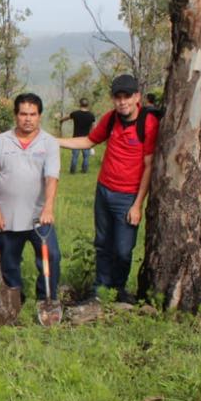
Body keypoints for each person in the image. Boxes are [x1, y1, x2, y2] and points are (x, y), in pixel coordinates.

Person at [59, 74, 159, 302]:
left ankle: (118, 289)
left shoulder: (148, 123)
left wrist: (137, 205)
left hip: (128, 197)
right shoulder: (111, 118)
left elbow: (149, 166)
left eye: (127, 97)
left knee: (123, 249)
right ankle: (100, 290)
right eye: (118, 97)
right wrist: (54, 141)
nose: (122, 102)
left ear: (137, 97)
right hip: (104, 191)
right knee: (102, 244)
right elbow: (88, 141)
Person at [0, 93, 61, 302]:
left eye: (33, 114)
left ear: (40, 116)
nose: (28, 119)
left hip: (39, 216)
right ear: (16, 115)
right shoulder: (1, 141)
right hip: (7, 216)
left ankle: (46, 298)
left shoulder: (49, 143)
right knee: (8, 261)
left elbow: (52, 177)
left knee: (51, 256)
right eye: (23, 114)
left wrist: (48, 207)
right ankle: (15, 299)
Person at [63, 98, 96, 174]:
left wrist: (61, 120)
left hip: (76, 138)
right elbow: (93, 127)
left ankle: (72, 171)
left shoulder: (75, 114)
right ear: (87, 105)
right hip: (86, 139)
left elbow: (67, 118)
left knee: (75, 156)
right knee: (86, 156)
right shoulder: (91, 115)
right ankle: (84, 171)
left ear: (80, 104)